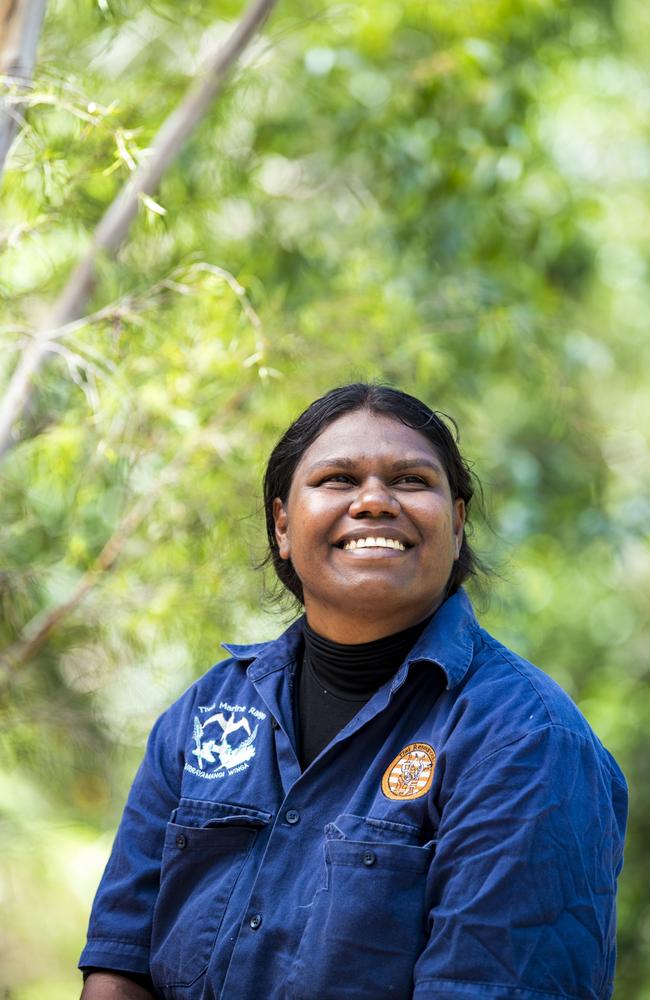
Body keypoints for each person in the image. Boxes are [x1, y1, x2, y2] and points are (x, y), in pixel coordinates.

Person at [79, 383, 627, 1000]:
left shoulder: (524, 740)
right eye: (338, 478)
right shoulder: (204, 715)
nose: (374, 501)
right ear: (282, 524)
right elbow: (119, 966)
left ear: (457, 521)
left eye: (412, 480)